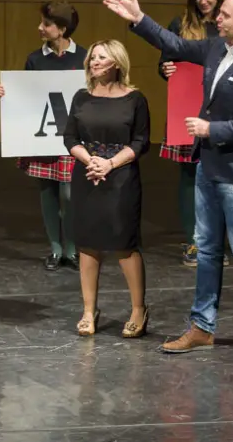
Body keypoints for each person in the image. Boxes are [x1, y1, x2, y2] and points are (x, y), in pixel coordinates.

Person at [104, 0, 233, 356]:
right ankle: (202, 326)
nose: (216, 18)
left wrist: (212, 130)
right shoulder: (215, 48)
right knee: (206, 248)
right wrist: (138, 19)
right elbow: (172, 42)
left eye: (224, 14)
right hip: (208, 166)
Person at [63, 40, 151, 338]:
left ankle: (138, 310)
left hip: (122, 176)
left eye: (101, 57)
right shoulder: (81, 97)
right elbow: (70, 137)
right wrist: (91, 161)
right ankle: (89, 310)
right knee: (87, 243)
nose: (94, 62)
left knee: (124, 242)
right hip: (87, 173)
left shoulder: (135, 99)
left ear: (116, 63)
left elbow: (141, 142)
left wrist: (110, 164)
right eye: (92, 57)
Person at [0, 2, 85, 271]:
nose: (40, 28)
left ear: (62, 28)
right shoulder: (35, 58)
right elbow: (28, 94)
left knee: (69, 193)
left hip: (72, 138)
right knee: (47, 191)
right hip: (42, 137)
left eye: (46, 24)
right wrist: (8, 93)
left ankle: (72, 247)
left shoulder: (83, 56)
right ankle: (56, 249)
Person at [158, 0, 224, 268]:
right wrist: (166, 69)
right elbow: (165, 60)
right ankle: (194, 240)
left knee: (217, 176)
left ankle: (215, 241)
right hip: (186, 108)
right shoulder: (180, 24)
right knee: (188, 176)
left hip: (220, 110)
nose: (203, 1)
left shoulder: (227, 23)